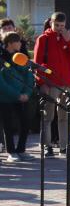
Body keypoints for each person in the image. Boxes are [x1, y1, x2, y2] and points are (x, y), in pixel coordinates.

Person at [33, 12, 70, 156]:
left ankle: (64, 146)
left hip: (66, 83)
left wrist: (68, 41)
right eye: (56, 25)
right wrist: (41, 82)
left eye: (62, 25)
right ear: (51, 23)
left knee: (64, 116)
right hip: (50, 83)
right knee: (48, 116)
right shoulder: (43, 39)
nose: (59, 28)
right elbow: (37, 64)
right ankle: (47, 146)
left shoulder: (66, 38)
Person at [0, 32, 34, 162]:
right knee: (8, 126)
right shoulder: (2, 57)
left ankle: (21, 150)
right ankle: (11, 152)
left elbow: (29, 76)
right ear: (9, 43)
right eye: (18, 41)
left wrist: (27, 93)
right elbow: (2, 82)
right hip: (5, 98)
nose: (21, 43)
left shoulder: (21, 56)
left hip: (22, 97)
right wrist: (17, 95)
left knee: (25, 122)